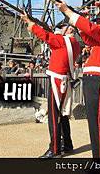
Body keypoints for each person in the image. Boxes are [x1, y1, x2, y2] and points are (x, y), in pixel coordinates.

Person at [57, 1, 100, 159]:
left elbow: (92, 30)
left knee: (97, 125)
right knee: (95, 124)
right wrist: (82, 20)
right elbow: (88, 37)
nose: (98, 24)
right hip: (95, 79)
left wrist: (69, 12)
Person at [22, 15, 81, 158]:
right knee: (63, 114)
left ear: (67, 29)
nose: (59, 30)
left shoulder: (61, 41)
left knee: (54, 116)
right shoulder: (75, 44)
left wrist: (30, 22)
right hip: (64, 79)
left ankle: (54, 149)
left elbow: (45, 35)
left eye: (61, 28)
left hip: (57, 80)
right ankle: (67, 144)